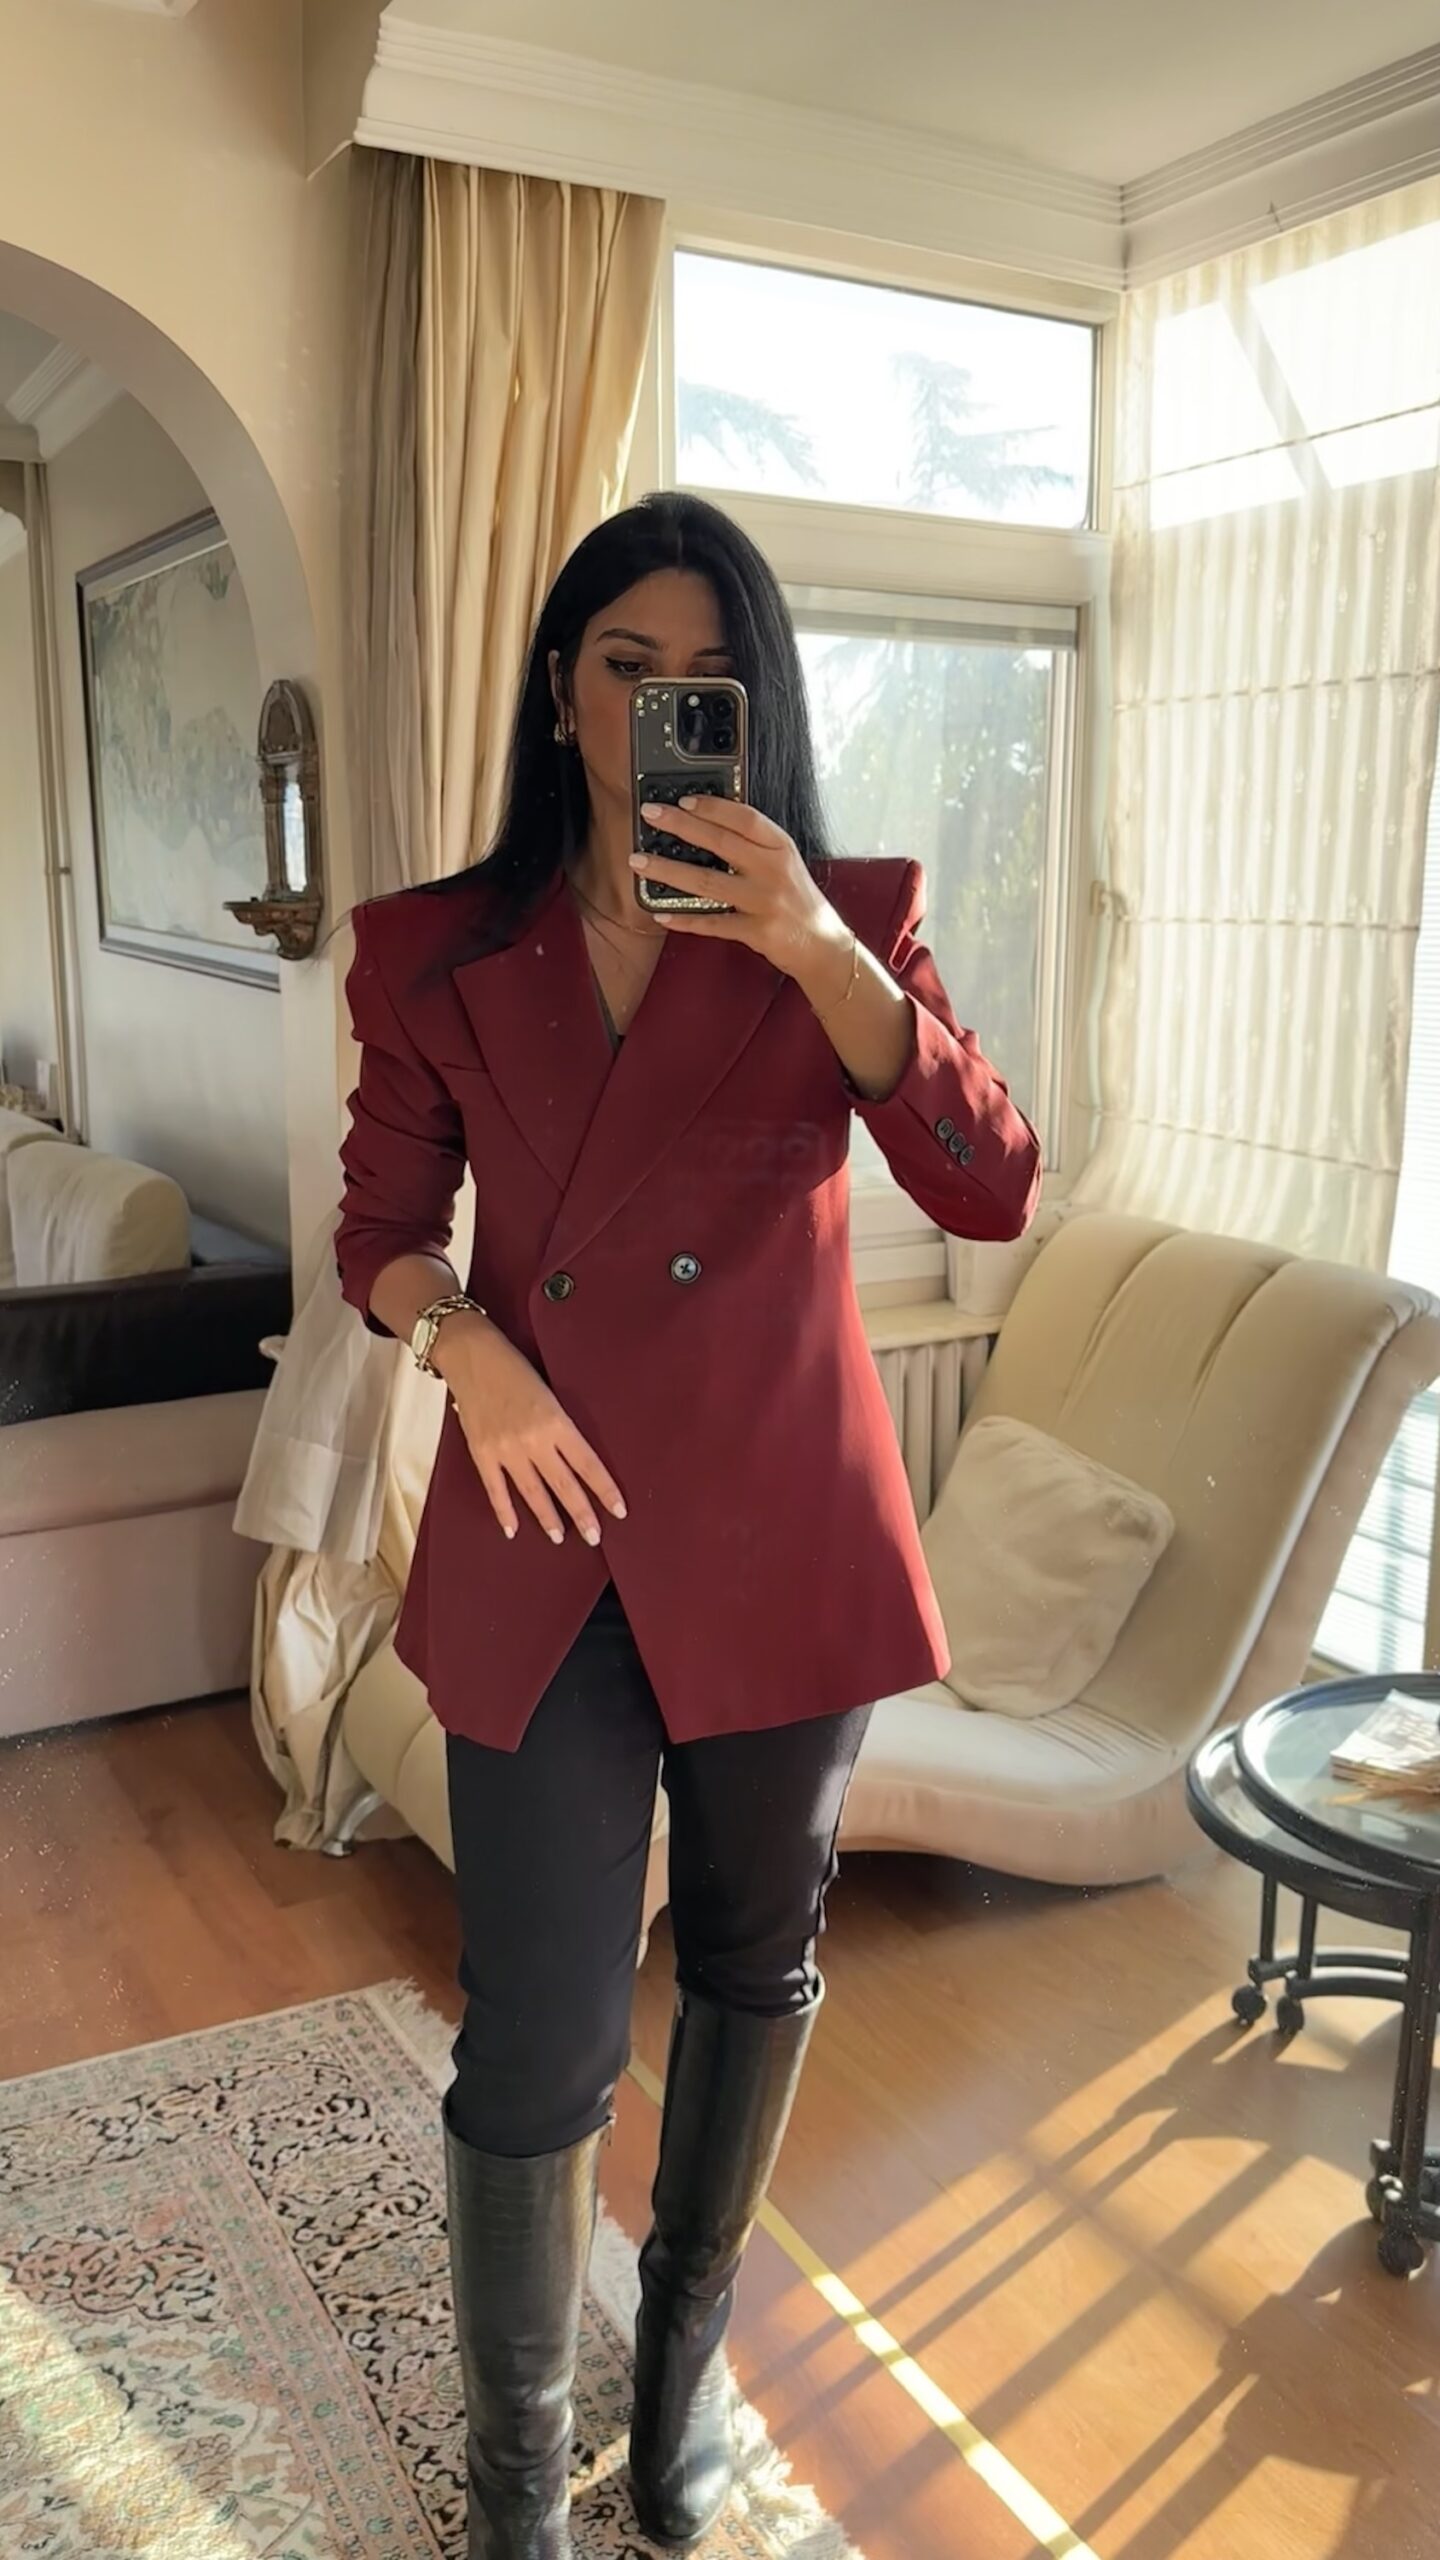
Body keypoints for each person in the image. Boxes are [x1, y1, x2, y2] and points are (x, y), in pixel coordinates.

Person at [334, 490, 1041, 2560]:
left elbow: (991, 1184)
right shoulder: (437, 950)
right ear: (559, 690)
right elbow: (381, 1229)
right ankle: (513, 2480)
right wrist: (469, 1347)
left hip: (779, 1542)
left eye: (705, 679)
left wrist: (815, 943)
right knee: (537, 2042)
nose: (660, 710)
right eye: (624, 667)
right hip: (545, 1532)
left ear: (758, 705)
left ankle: (681, 2365)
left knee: (753, 1962)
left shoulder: (849, 922)